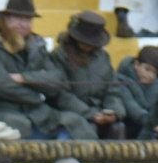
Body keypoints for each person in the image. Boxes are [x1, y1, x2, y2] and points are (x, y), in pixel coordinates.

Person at [0, 0, 94, 141]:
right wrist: (37, 95)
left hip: (38, 111)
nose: (23, 24)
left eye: (27, 19)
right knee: (19, 125)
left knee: (76, 123)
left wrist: (24, 78)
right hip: (0, 109)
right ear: (5, 19)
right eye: (18, 18)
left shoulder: (37, 45)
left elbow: (57, 79)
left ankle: (67, 162)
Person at [51, 10, 121, 139]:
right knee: (84, 126)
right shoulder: (59, 56)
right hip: (70, 113)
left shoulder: (103, 57)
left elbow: (113, 90)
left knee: (118, 128)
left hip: (99, 111)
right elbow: (61, 95)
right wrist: (90, 114)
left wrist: (113, 111)